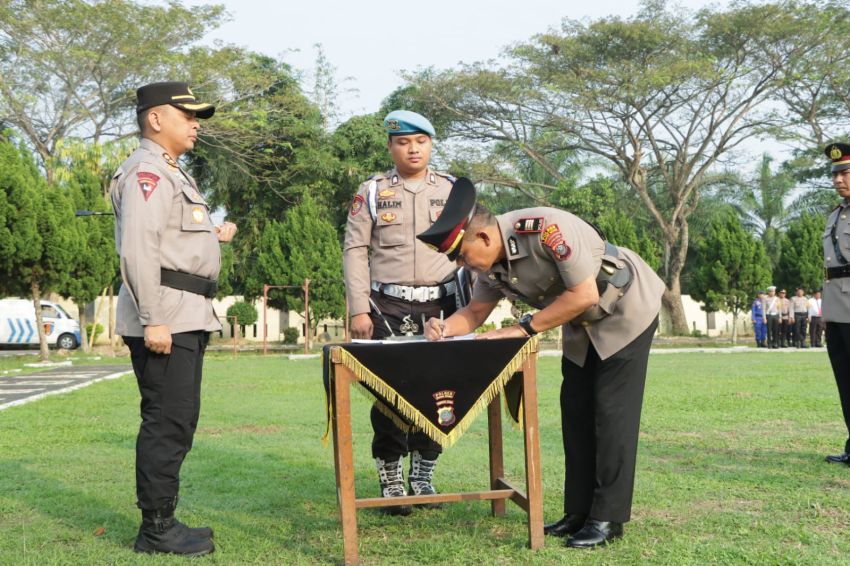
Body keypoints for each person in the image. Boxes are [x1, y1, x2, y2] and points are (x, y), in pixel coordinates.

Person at [417, 179, 664, 548]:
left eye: (462, 255)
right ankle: (578, 513)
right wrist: (443, 328)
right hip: (583, 324)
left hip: (627, 308)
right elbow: (474, 312)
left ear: (483, 238)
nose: (461, 264)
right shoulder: (489, 267)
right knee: (575, 412)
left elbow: (584, 293)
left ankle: (608, 518)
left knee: (612, 415)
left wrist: (522, 329)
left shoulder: (546, 229)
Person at [111, 81, 237, 555]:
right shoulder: (148, 172)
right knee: (167, 421)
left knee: (178, 418)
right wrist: (153, 318)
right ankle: (157, 528)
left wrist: (213, 237)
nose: (196, 123)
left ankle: (164, 517)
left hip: (185, 311)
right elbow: (139, 249)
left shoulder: (169, 172)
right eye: (187, 115)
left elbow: (170, 239)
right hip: (166, 314)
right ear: (156, 119)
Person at [342, 110, 458, 515]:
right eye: (404, 142)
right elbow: (356, 250)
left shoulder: (453, 190)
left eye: (421, 141)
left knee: (441, 391)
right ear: (391, 146)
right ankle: (391, 477)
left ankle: (423, 473)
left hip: (442, 306)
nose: (413, 149)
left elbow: (473, 251)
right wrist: (359, 309)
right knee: (390, 394)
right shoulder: (372, 191)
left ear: (430, 145)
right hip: (386, 306)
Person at [822, 142, 850, 465]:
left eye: (844, 173)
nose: (838, 180)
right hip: (836, 312)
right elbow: (829, 268)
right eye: (835, 175)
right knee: (845, 383)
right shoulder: (835, 215)